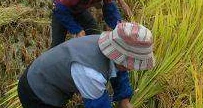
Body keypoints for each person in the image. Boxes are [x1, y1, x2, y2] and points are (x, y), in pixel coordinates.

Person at [18, 22, 156, 108]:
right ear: (122, 59)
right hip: (36, 91)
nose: (133, 68)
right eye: (133, 63)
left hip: (50, 76)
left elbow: (120, 72)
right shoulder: (91, 73)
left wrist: (124, 101)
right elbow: (97, 106)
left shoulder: (110, 45)